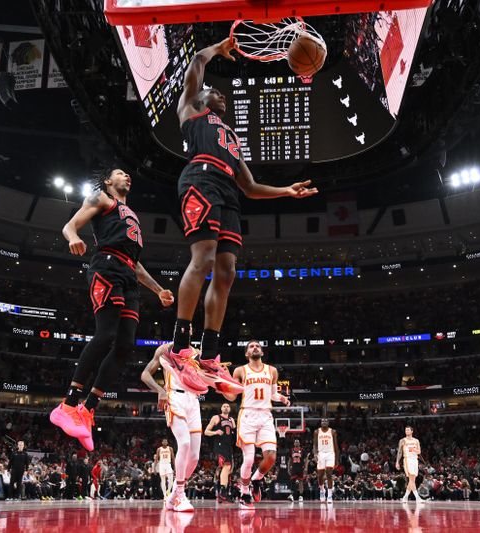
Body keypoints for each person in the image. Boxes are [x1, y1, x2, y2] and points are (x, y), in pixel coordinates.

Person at [164, 37, 318, 390]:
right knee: (201, 259)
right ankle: (180, 348)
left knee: (227, 271)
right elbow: (196, 65)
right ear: (202, 97)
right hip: (199, 179)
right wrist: (216, 48)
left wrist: (286, 191)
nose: (221, 95)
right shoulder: (190, 108)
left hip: (230, 193)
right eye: (215, 91)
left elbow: (249, 186)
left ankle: (210, 356)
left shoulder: (231, 135)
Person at [51, 168, 174, 451]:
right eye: (121, 173)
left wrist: (158, 290)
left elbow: (136, 263)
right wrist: (72, 238)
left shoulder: (130, 215)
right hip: (106, 267)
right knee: (105, 335)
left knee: (125, 345)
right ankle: (68, 404)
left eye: (129, 174)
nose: (127, 176)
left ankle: (88, 408)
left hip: (129, 274)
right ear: (108, 181)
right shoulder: (102, 198)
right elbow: (70, 225)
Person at [222, 340, 290, 508]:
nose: (255, 348)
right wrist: (222, 383)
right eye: (251, 346)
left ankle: (256, 480)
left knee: (272, 457)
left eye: (257, 346)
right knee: (249, 458)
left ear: (262, 352)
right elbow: (231, 396)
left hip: (266, 415)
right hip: (248, 415)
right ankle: (245, 491)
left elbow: (273, 394)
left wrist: (281, 398)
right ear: (247, 354)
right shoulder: (240, 370)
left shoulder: (272, 371)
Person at [141, 343, 204, 512]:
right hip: (174, 396)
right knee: (184, 443)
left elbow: (204, 376)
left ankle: (173, 495)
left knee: (195, 456)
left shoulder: (196, 352)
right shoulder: (165, 349)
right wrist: (160, 390)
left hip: (194, 400)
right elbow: (145, 374)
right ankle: (181, 496)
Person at [205, 403, 236, 503]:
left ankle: (223, 493)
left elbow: (234, 434)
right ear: (221, 408)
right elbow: (206, 431)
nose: (226, 407)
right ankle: (223, 492)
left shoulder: (232, 420)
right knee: (226, 467)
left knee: (228, 470)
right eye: (224, 406)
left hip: (229, 446)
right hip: (220, 445)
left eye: (228, 406)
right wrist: (215, 432)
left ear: (230, 409)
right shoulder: (216, 418)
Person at [396, 426, 424, 502]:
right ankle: (417, 498)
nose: (406, 431)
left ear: (412, 431)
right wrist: (397, 462)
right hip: (407, 460)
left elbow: (419, 452)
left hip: (415, 460)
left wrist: (413, 449)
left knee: (412, 480)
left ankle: (405, 497)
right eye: (405, 430)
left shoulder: (416, 441)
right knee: (411, 479)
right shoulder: (402, 440)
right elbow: (399, 452)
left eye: (408, 430)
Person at [314, 419, 339, 503]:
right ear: (320, 423)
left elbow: (336, 446)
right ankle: (322, 490)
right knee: (320, 475)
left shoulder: (333, 432)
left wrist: (337, 459)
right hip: (321, 454)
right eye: (322, 421)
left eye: (325, 421)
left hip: (330, 453)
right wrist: (315, 454)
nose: (324, 422)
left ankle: (329, 495)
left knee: (329, 473)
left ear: (328, 423)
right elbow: (315, 444)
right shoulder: (317, 431)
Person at [288, 438, 307, 502]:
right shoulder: (291, 450)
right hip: (294, 468)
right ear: (294, 443)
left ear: (299, 443)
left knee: (301, 482)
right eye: (295, 442)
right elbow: (290, 460)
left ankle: (301, 496)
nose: (296, 443)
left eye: (297, 442)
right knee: (292, 482)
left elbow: (306, 460)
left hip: (300, 467)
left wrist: (306, 468)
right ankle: (292, 495)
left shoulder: (302, 450)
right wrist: (288, 468)